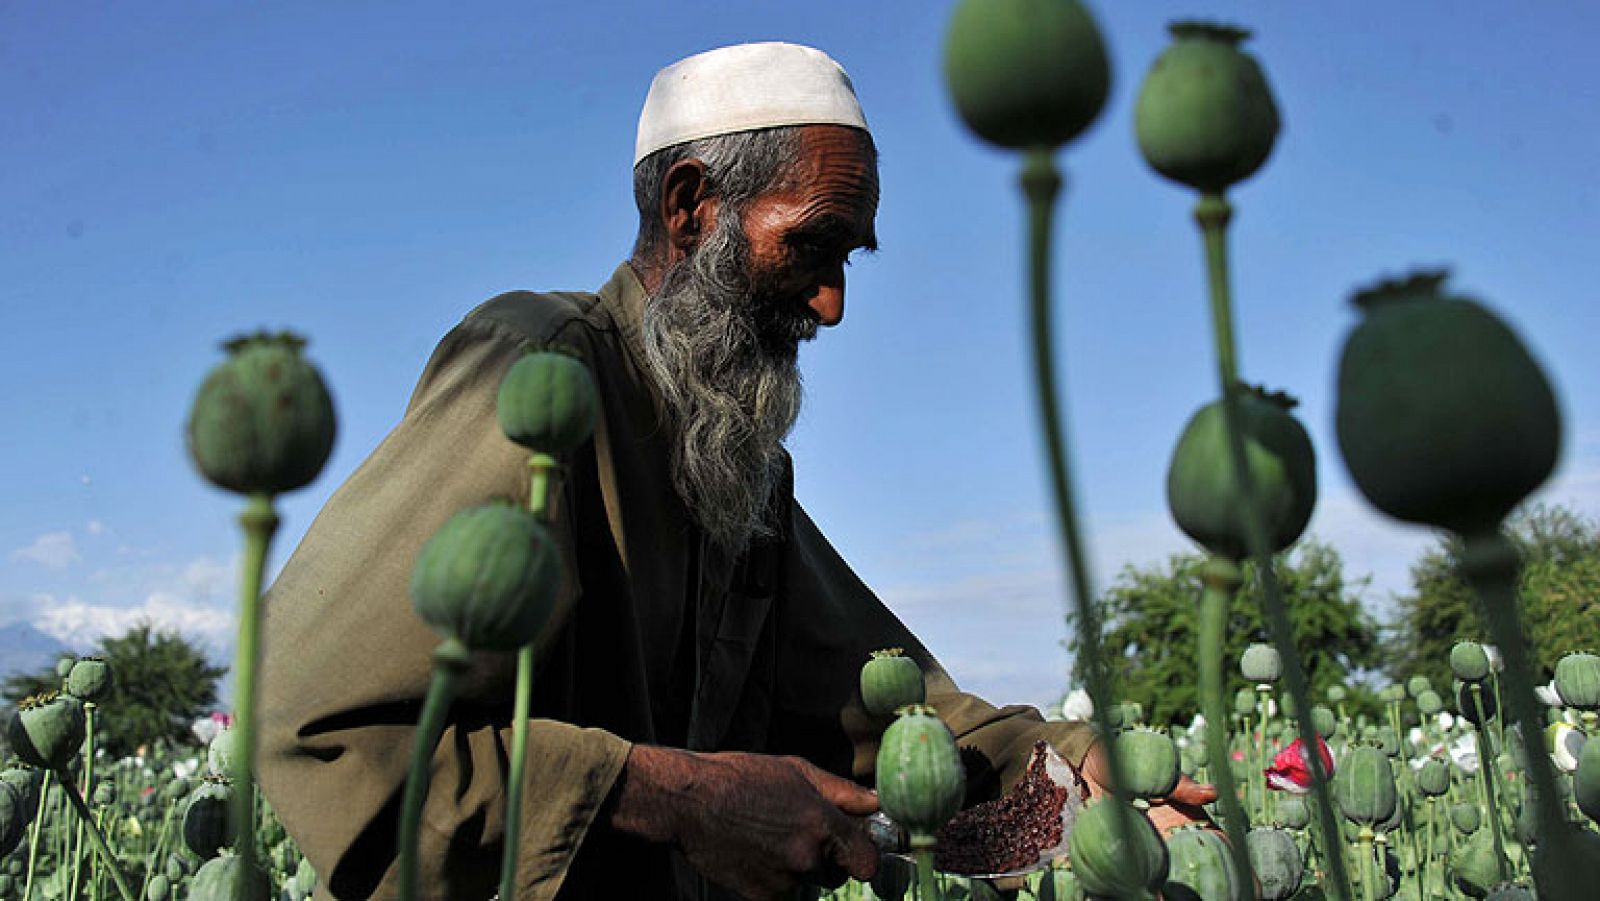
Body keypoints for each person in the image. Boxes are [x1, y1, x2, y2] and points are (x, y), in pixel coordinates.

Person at [256, 42, 1214, 901]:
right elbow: (317, 719)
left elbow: (886, 705)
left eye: (850, 257)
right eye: (813, 242)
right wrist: (678, 797)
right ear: (691, 204)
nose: (834, 304)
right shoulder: (541, 371)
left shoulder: (737, 463)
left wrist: (1077, 768)